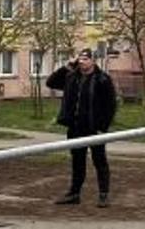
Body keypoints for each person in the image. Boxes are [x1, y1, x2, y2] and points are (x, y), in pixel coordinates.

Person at [47, 49, 118, 207]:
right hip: (75, 127)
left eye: (85, 59)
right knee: (77, 161)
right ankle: (74, 194)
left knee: (99, 160)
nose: (81, 62)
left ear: (93, 61)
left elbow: (110, 105)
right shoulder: (72, 77)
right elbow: (51, 82)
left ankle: (103, 195)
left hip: (95, 128)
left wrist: (103, 127)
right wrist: (66, 66)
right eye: (80, 59)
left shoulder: (102, 79)